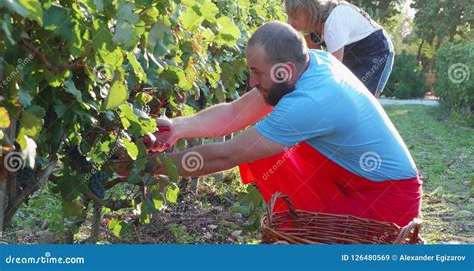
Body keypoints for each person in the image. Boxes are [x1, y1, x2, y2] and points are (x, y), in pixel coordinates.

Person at [119, 21, 422, 227]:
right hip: (355, 181)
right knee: (267, 146)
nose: (251, 81)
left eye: (256, 72)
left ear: (284, 70)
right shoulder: (312, 64)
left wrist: (151, 165)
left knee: (260, 147)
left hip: (387, 202)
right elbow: (233, 113)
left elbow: (227, 154)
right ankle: (301, 232)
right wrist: (177, 126)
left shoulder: (310, 102)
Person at [284, 0, 394, 98]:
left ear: (310, 12)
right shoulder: (310, 27)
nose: (289, 21)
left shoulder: (333, 24)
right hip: (352, 52)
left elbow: (333, 70)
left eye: (294, 16)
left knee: (363, 100)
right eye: (288, 15)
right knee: (344, 98)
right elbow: (318, 61)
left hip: (377, 51)